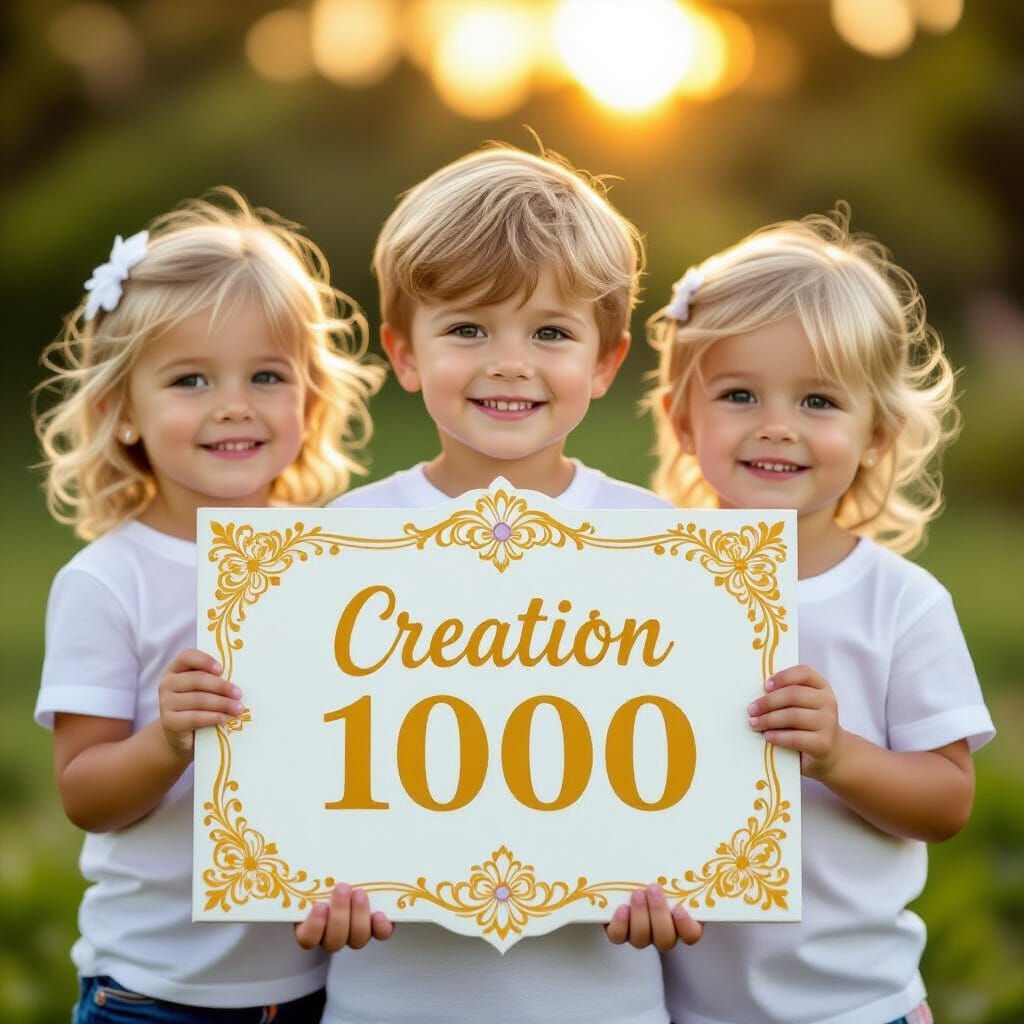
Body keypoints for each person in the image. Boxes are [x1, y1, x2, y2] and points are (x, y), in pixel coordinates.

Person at [297, 144, 702, 1024]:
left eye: (551, 333)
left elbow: (691, 778)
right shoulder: (334, 549)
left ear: (604, 362)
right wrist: (307, 878)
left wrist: (687, 875)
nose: (510, 362)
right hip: (387, 998)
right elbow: (302, 773)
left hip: (604, 1001)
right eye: (468, 329)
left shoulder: (667, 552)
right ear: (405, 354)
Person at [33, 189, 384, 1022]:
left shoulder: (338, 562)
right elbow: (84, 792)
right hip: (154, 990)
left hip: (312, 981)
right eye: (191, 379)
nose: (234, 405)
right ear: (122, 412)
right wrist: (167, 740)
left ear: (310, 400)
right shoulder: (108, 580)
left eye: (267, 377)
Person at [647, 209, 996, 1024]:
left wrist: (840, 754)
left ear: (876, 432)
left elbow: (948, 801)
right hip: (683, 1004)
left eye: (817, 400)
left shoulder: (899, 604)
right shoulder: (649, 590)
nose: (777, 425)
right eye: (739, 395)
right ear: (681, 419)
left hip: (855, 1005)